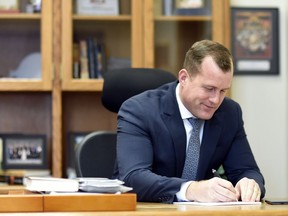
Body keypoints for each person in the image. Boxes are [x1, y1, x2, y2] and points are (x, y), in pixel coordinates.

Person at [115, 40, 265, 203]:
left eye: (223, 91)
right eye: (209, 89)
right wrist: (190, 189)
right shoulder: (139, 110)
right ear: (184, 78)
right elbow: (133, 178)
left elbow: (247, 170)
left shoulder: (229, 113)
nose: (215, 100)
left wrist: (249, 183)